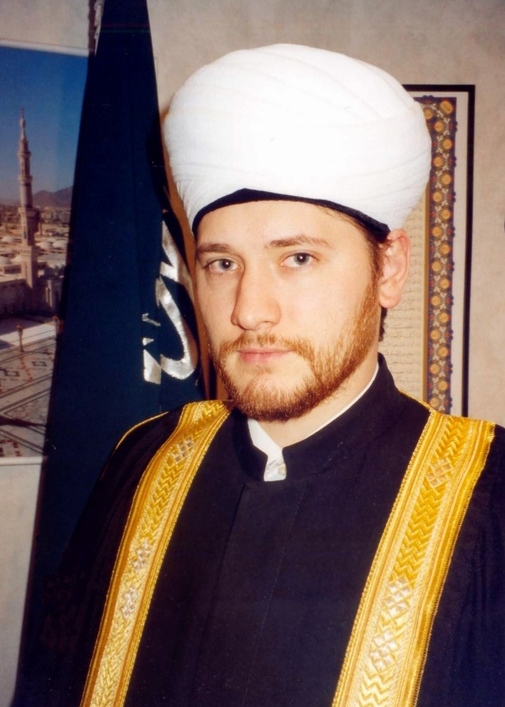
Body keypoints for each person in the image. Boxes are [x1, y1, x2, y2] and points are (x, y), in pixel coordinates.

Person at [19, 45, 505, 707]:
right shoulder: (143, 461)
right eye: (222, 264)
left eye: (297, 258)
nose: (248, 310)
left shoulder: (490, 502)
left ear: (388, 268)